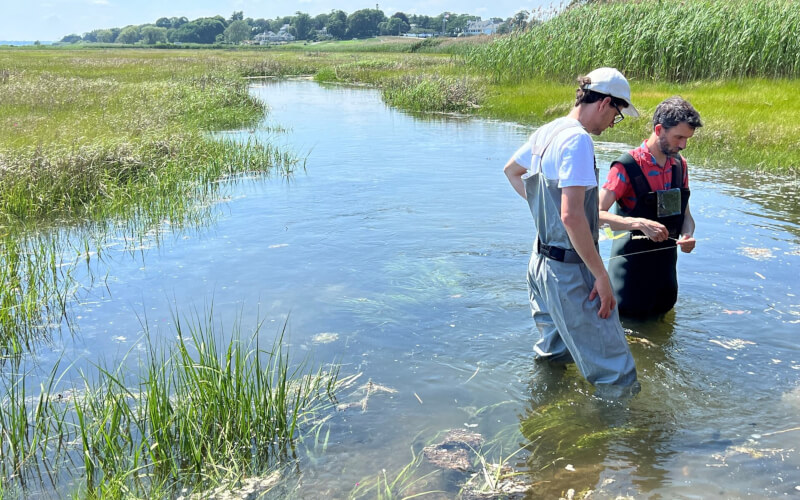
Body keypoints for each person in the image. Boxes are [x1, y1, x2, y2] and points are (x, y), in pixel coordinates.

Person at [504, 67, 640, 398]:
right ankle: (622, 448)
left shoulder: (547, 132)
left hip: (540, 264)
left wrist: (542, 208)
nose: (612, 124)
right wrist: (601, 276)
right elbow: (572, 216)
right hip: (568, 271)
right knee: (617, 375)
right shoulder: (577, 139)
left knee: (554, 356)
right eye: (617, 115)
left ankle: (546, 426)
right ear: (605, 102)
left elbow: (512, 170)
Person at [599, 97, 702, 318]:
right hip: (628, 286)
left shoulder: (679, 166)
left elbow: (686, 215)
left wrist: (688, 234)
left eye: (687, 139)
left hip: (665, 286)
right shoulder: (626, 167)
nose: (683, 145)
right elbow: (595, 215)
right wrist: (638, 223)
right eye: (679, 137)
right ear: (659, 129)